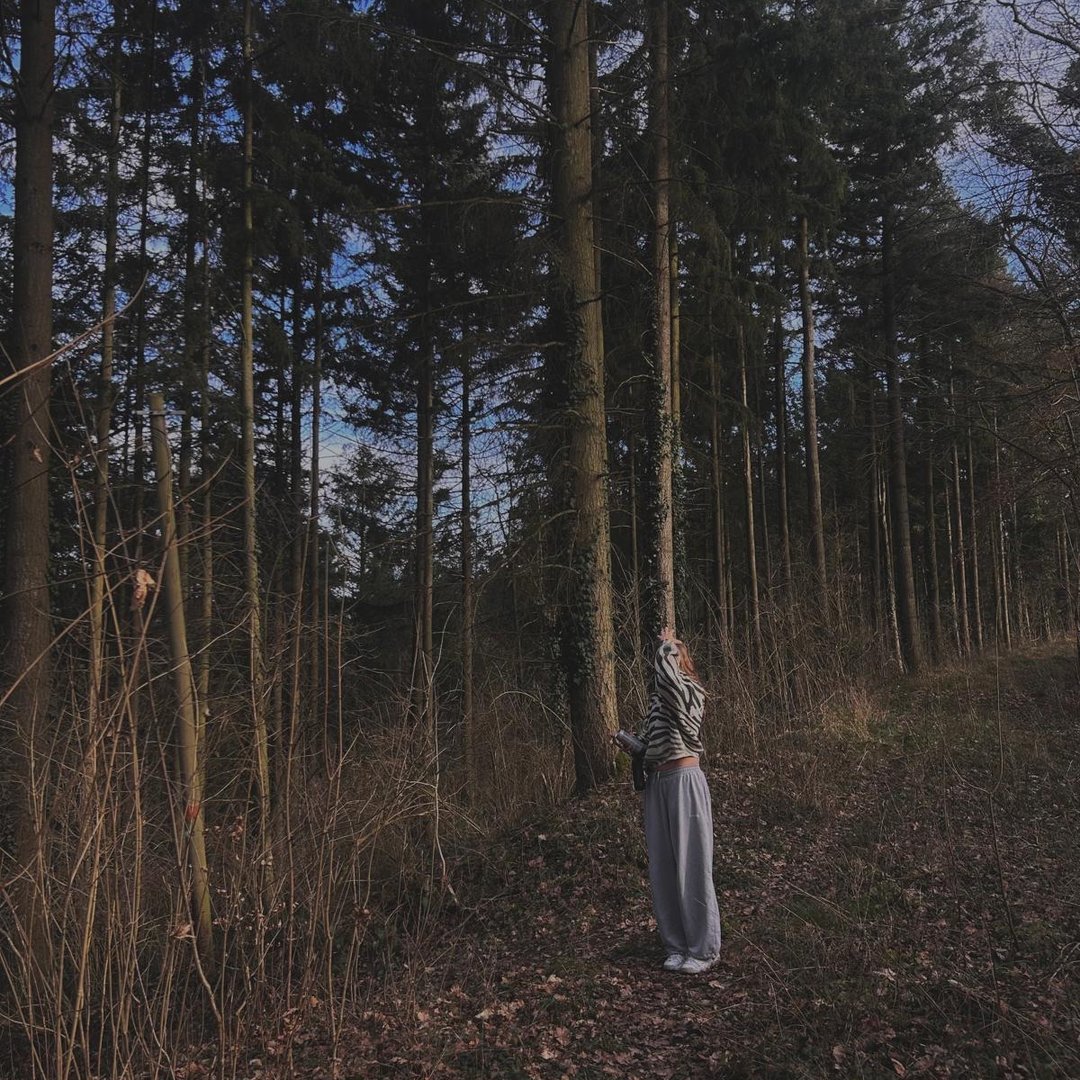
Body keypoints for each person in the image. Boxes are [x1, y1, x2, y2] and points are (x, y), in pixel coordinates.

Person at [632, 627, 722, 974]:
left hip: (685, 780)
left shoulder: (690, 691)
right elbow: (651, 742)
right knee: (663, 868)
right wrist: (632, 744)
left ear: (680, 660)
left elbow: (669, 682)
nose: (664, 657)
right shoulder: (658, 701)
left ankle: (703, 950)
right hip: (658, 784)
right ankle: (676, 946)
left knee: (692, 864)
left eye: (671, 653)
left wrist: (667, 643)